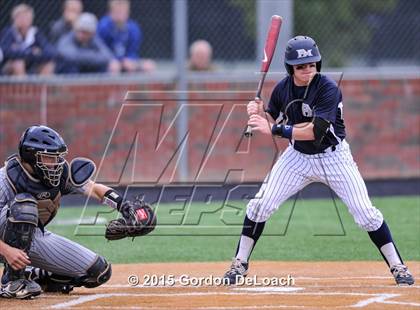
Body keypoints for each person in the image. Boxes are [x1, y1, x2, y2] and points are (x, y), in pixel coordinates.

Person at [222, 36, 415, 286]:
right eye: (301, 66)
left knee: (366, 214)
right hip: (297, 158)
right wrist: (259, 114)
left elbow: (314, 131)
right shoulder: (283, 88)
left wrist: (273, 129)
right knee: (259, 206)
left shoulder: (328, 89)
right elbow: (270, 119)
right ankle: (240, 262)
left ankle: (398, 266)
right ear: (291, 67)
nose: (308, 70)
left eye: (312, 64)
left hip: (334, 157)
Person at [0, 125, 156, 299]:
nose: (56, 164)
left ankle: (34, 274)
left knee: (98, 272)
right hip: (3, 244)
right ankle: (12, 281)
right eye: (48, 158)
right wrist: (6, 250)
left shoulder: (57, 174)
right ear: (30, 156)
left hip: (31, 238)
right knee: (25, 206)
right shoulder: (5, 180)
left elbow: (94, 189)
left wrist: (125, 207)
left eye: (57, 158)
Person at [97, 0, 155, 73]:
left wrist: (130, 60)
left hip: (127, 62)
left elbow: (133, 51)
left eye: (123, 12)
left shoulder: (134, 28)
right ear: (110, 13)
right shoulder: (103, 26)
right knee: (114, 67)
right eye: (117, 12)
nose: (120, 15)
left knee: (149, 65)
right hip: (108, 63)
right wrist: (117, 60)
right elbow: (101, 50)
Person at [0, 4, 55, 76]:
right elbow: (5, 51)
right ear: (14, 19)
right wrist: (31, 52)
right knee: (18, 63)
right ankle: (23, 87)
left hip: (32, 65)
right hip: (9, 68)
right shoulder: (9, 32)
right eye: (21, 17)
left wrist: (20, 51)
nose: (24, 21)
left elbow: (51, 52)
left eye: (27, 17)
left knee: (49, 65)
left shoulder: (35, 33)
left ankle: (42, 87)